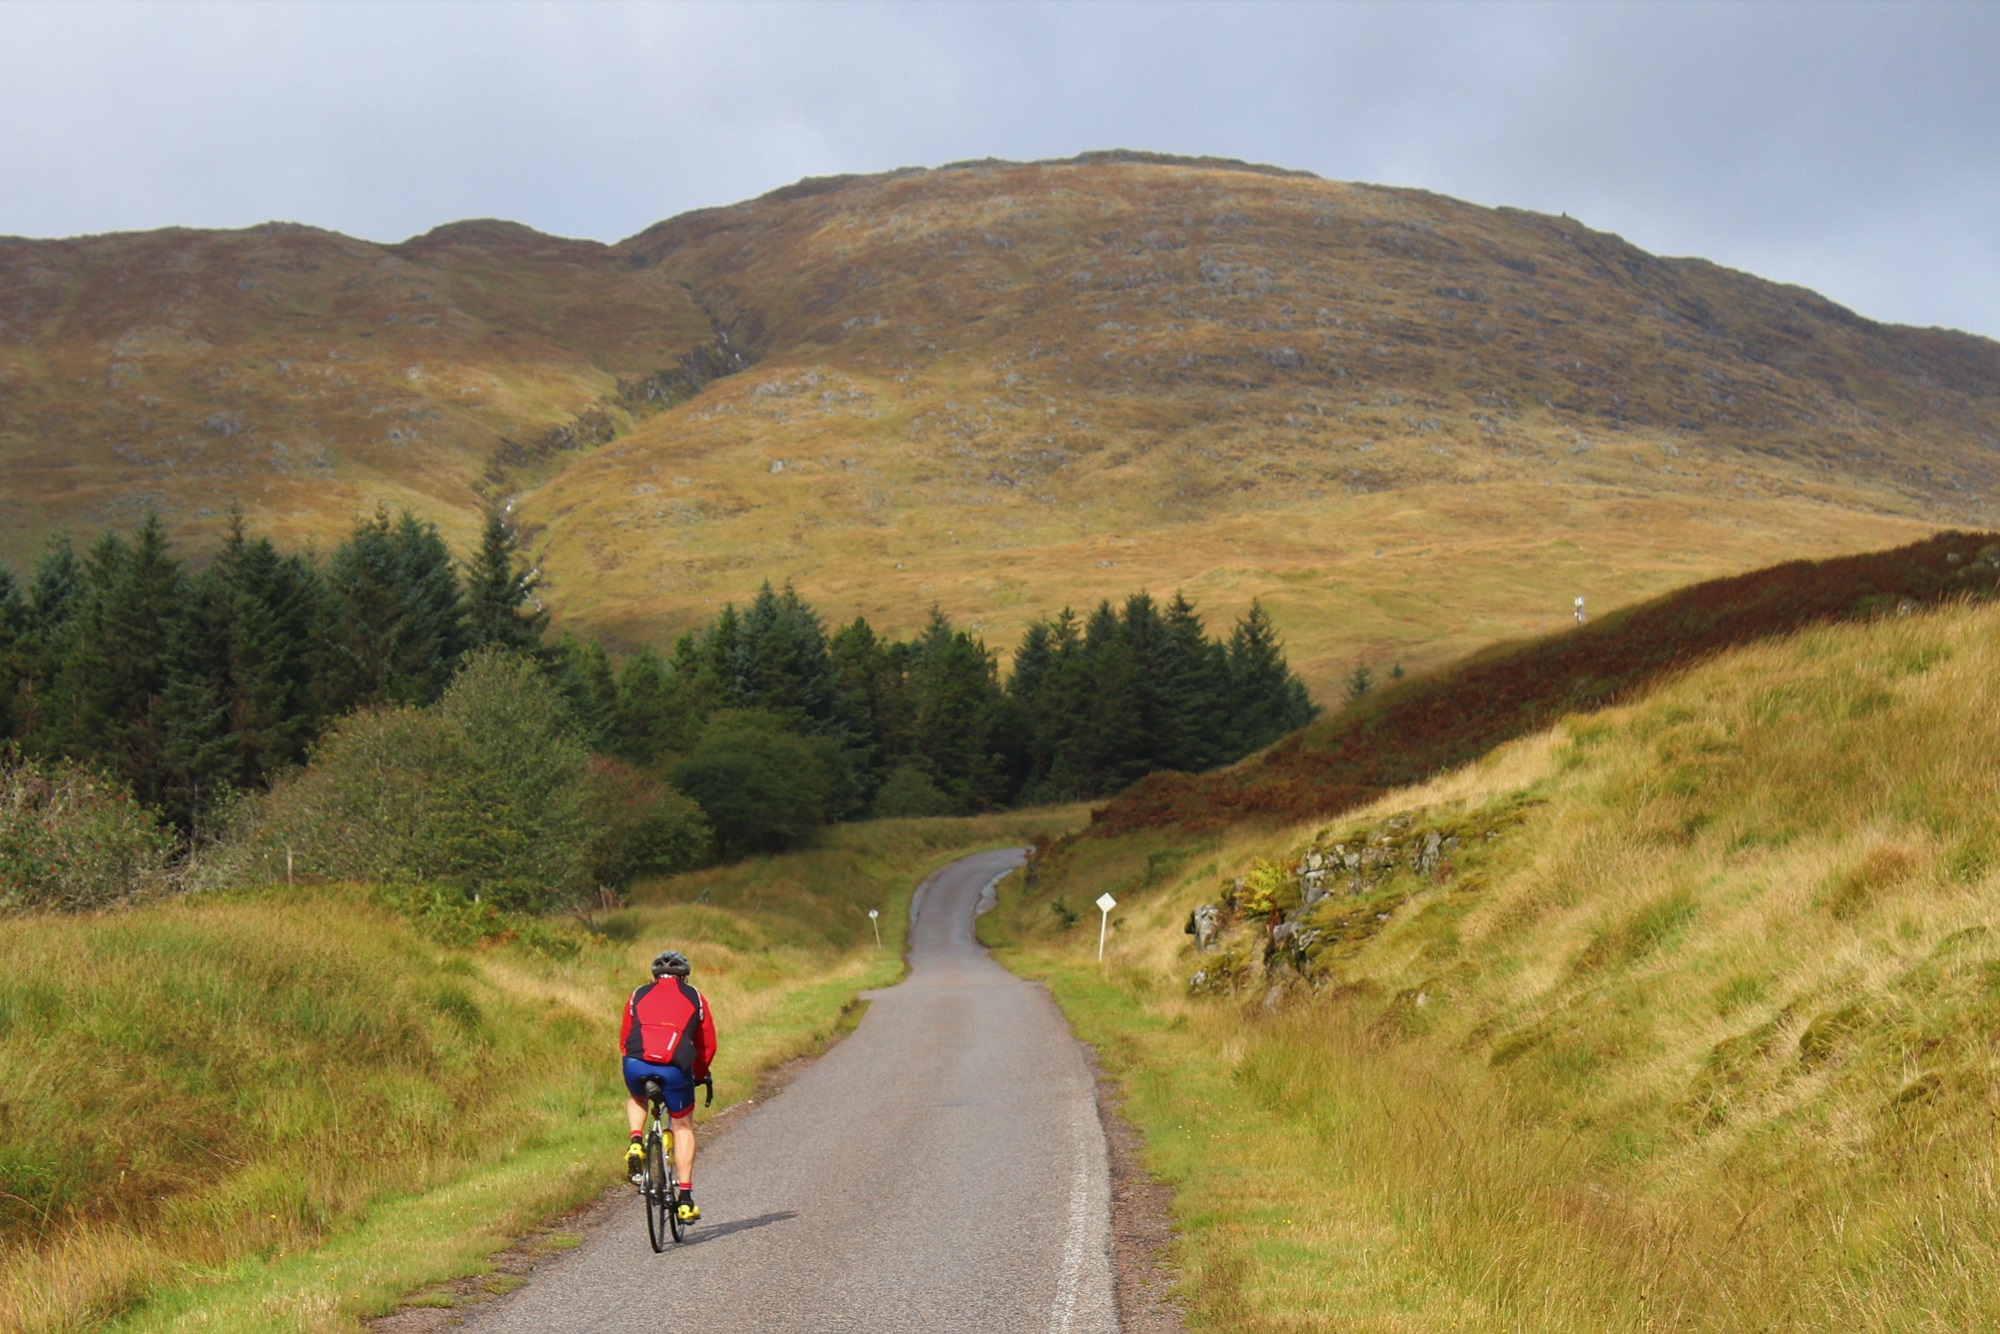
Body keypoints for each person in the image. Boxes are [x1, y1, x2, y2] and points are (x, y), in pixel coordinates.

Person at [620, 949, 717, 1223]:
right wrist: (699, 1073)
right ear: (684, 977)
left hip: (636, 1062)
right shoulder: (695, 997)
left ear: (654, 976)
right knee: (683, 1125)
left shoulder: (637, 994)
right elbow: (707, 1045)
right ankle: (685, 1200)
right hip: (675, 1066)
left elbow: (625, 1038)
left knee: (637, 1097)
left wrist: (633, 1064)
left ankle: (636, 1141)